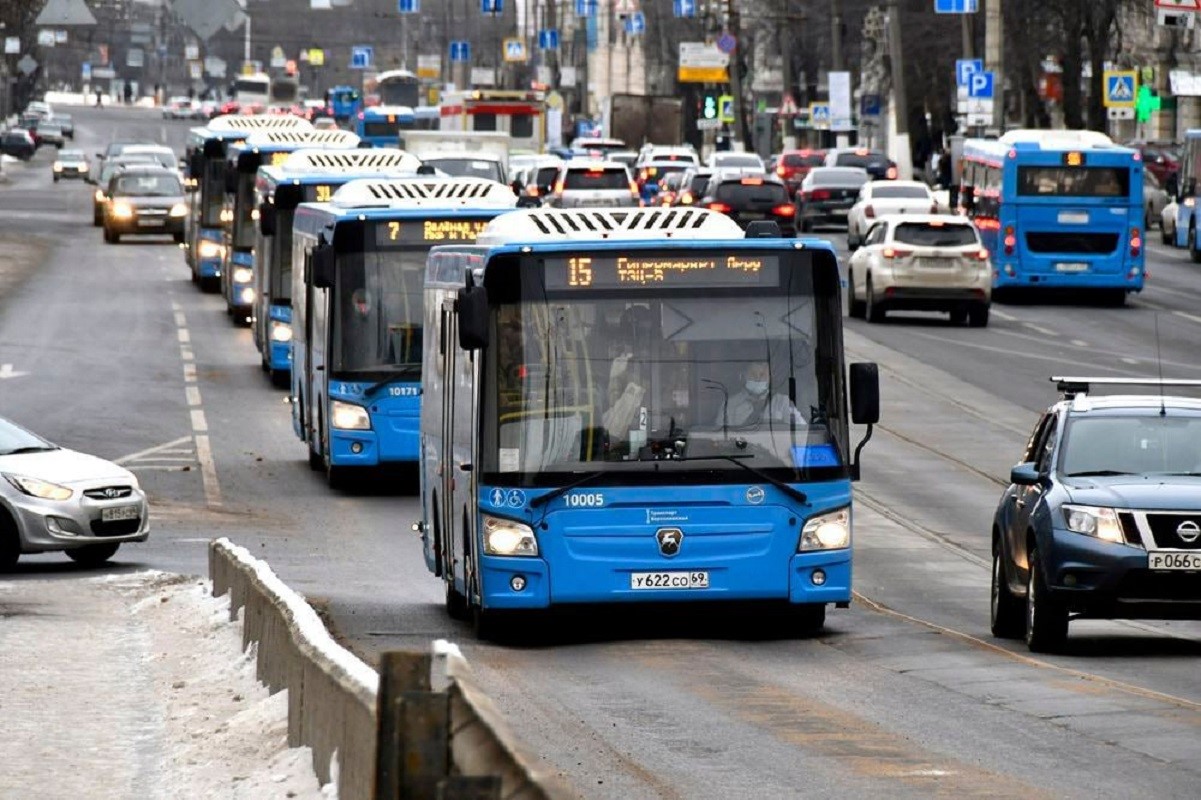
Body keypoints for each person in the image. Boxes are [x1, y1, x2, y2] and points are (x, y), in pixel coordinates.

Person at [715, 361, 805, 430]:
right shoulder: (729, 404)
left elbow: (800, 430)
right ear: (744, 376)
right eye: (753, 374)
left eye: (763, 375)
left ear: (770, 378)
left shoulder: (783, 402)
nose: (758, 379)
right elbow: (719, 435)